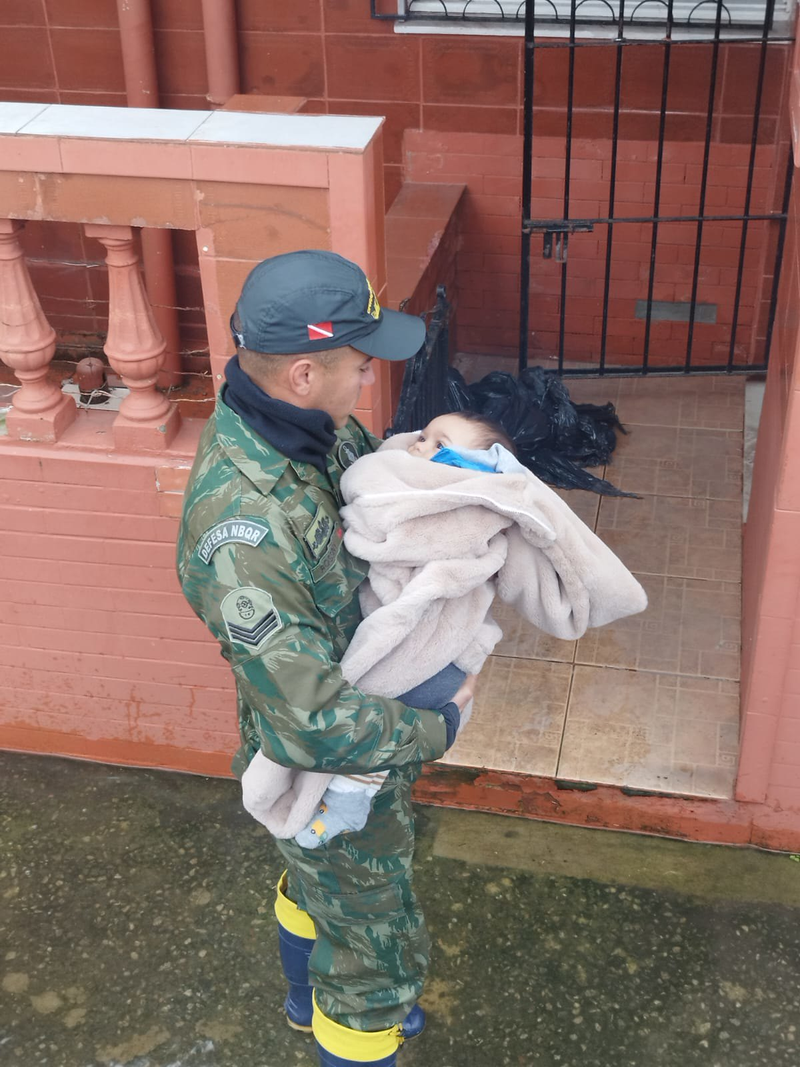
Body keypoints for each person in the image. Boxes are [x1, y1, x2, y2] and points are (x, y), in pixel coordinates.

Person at [176, 250, 476, 1067]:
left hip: (350, 722)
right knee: (375, 950)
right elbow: (309, 719)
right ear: (304, 373)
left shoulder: (306, 427)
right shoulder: (245, 532)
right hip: (327, 746)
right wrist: (435, 728)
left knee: (317, 880)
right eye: (360, 361)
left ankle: (304, 999)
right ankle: (356, 1025)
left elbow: (372, 492)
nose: (370, 376)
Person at [289, 410, 518, 850]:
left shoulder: (461, 512)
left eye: (439, 445)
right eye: (425, 435)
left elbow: (424, 554)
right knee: (365, 727)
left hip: (429, 661)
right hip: (432, 666)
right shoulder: (394, 477)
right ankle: (343, 799)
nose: (419, 444)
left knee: (370, 719)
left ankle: (347, 798)